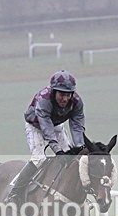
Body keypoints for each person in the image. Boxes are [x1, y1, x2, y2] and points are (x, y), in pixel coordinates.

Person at [6, 70, 86, 203]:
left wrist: (80, 146)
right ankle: (15, 192)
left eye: (68, 95)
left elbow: (77, 125)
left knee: (71, 159)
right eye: (61, 94)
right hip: (36, 126)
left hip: (56, 125)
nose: (65, 99)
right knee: (39, 159)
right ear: (54, 91)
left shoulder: (77, 102)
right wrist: (58, 151)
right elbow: (46, 127)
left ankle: (69, 193)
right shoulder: (44, 99)